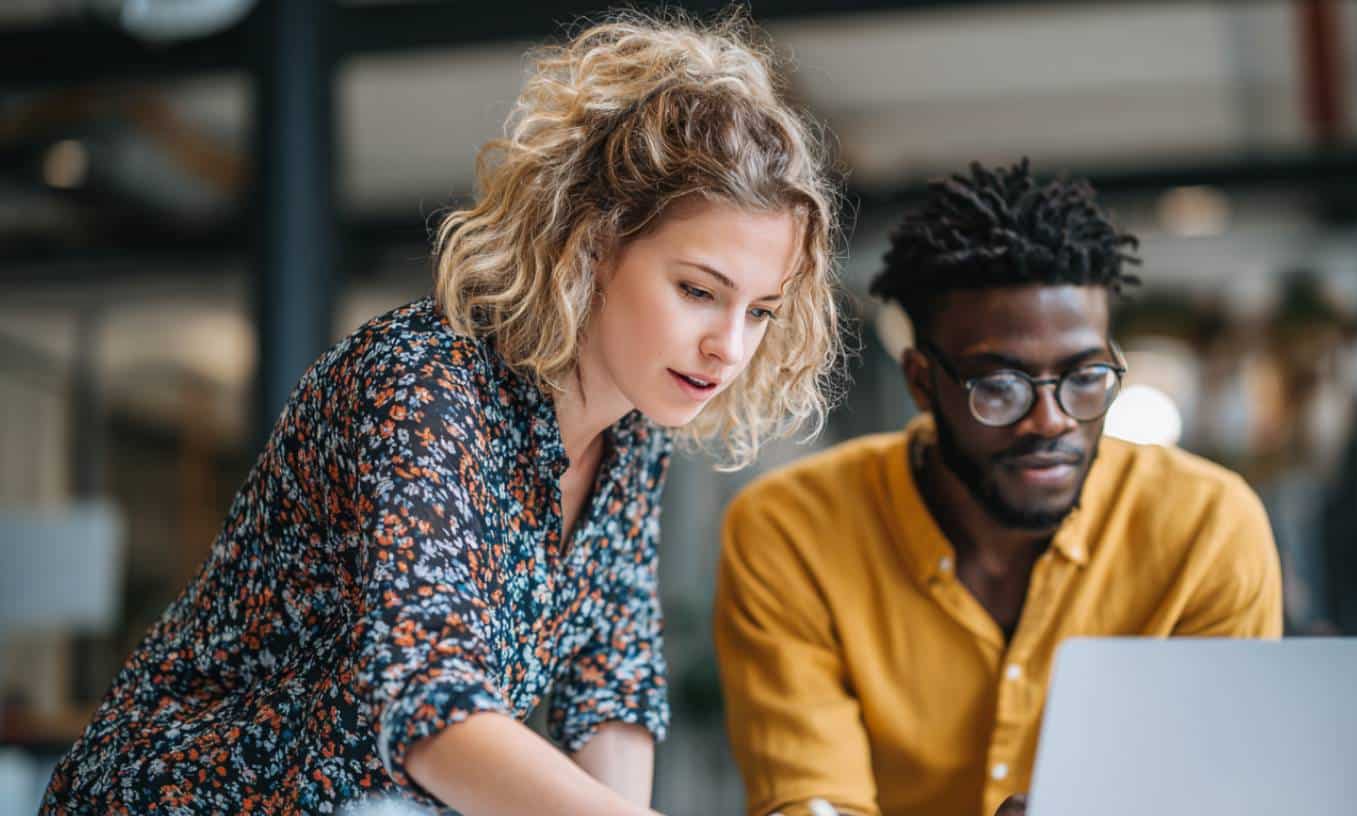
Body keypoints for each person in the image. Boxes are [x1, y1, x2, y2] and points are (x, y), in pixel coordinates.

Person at [42, 11, 844, 815]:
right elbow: (433, 715)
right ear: (592, 245)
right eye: (699, 292)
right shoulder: (424, 384)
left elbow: (612, 687)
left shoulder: (632, 437)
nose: (729, 348)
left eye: (761, 311)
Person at [714, 160, 1282, 816]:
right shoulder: (792, 531)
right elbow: (811, 802)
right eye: (1000, 386)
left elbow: (1216, 796)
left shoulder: (1208, 529)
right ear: (923, 382)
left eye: (1085, 375)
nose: (1053, 420)